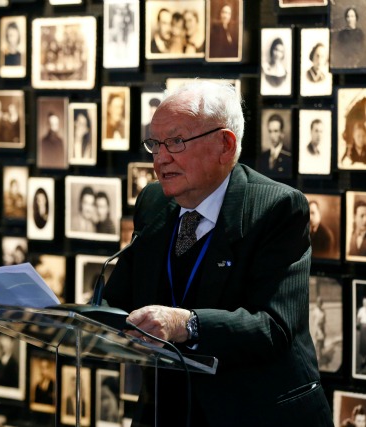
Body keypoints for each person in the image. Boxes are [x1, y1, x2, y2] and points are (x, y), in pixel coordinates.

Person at [104, 81, 332, 426]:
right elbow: (118, 300)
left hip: (256, 411)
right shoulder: (153, 202)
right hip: (169, 410)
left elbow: (274, 327)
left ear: (225, 145)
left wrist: (186, 324)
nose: (160, 158)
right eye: (154, 143)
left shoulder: (277, 208)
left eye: (176, 142)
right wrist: (63, 316)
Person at [257, 113, 291, 177]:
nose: (272, 136)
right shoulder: (263, 156)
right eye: (270, 131)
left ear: (282, 133)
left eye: (275, 131)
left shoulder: (289, 157)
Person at [310, 296, 326, 364]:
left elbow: (324, 321)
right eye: (318, 302)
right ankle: (317, 358)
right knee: (317, 344)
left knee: (321, 343)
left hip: (321, 329)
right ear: (317, 303)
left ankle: (319, 356)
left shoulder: (323, 311)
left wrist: (324, 331)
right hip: (316, 329)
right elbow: (312, 321)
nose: (319, 303)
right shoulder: (314, 311)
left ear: (321, 303)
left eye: (320, 302)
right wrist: (314, 330)